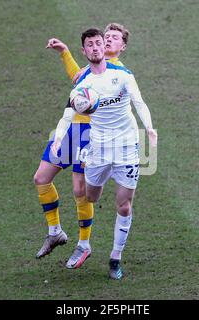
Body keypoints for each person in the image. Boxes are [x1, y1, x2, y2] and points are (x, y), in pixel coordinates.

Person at [55, 28, 157, 279]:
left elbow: (139, 102)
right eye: (90, 45)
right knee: (90, 197)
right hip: (98, 149)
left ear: (104, 47)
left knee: (124, 206)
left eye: (99, 43)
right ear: (85, 51)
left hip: (126, 149)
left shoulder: (122, 75)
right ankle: (89, 241)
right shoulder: (83, 84)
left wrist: (150, 128)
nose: (96, 48)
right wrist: (58, 139)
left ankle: (115, 258)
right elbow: (67, 115)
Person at [34, 24, 130, 270]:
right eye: (105, 38)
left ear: (122, 47)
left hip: (91, 134)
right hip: (71, 130)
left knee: (80, 190)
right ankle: (55, 231)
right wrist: (65, 53)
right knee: (41, 178)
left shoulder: (119, 73)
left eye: (113, 39)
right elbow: (78, 79)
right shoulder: (92, 68)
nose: (107, 42)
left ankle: (84, 244)